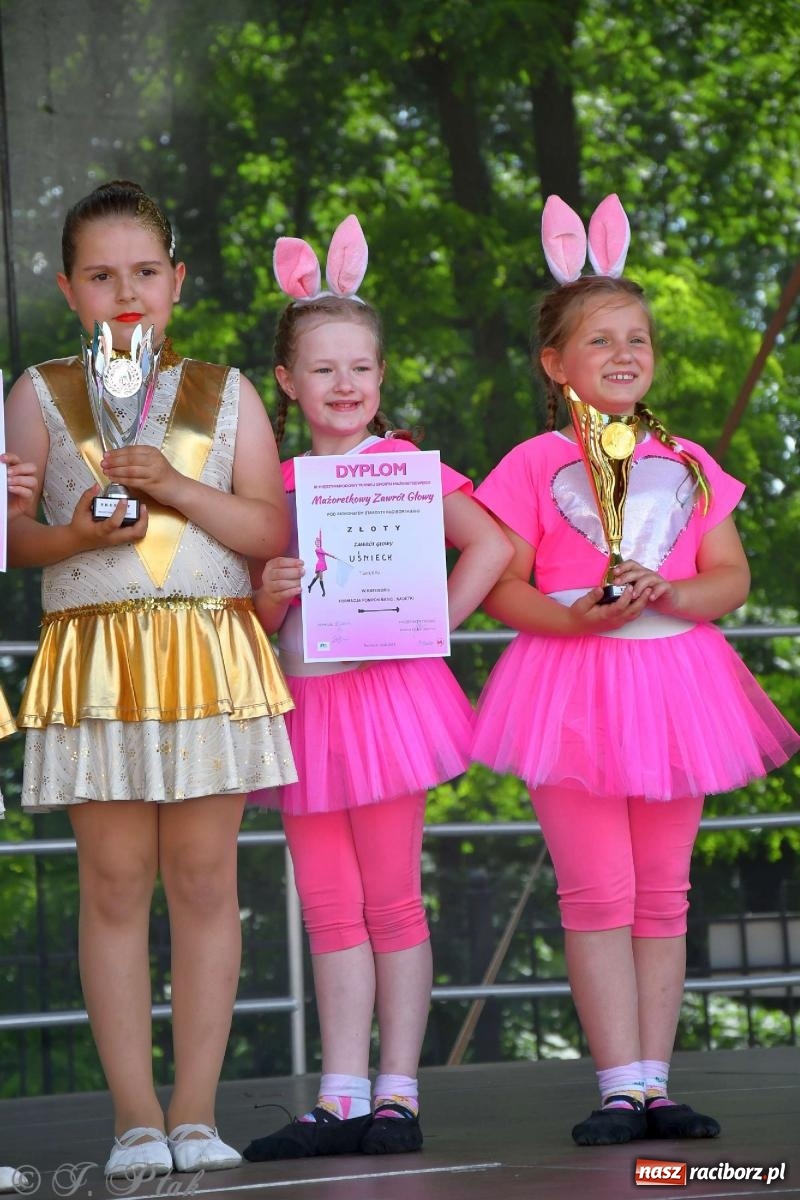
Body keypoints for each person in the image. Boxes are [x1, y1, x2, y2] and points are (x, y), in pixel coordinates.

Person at [472, 194, 800, 1147]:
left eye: (638, 339)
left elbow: (730, 577)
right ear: (554, 363)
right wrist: (572, 617)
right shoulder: (534, 461)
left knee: (663, 891)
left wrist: (672, 592)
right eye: (601, 339)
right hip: (569, 690)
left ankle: (657, 1085)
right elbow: (502, 585)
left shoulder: (687, 460)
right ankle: (617, 1085)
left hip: (676, 689)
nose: (625, 353)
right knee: (597, 891)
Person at [4, 181, 297, 1178]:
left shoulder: (226, 391)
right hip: (94, 657)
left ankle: (195, 1112)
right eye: (100, 275)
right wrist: (71, 536)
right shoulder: (38, 392)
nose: (124, 292)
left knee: (206, 881)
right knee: (115, 882)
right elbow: (11, 536)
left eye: (142, 272)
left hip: (209, 652)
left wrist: (173, 485)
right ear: (67, 288)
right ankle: (135, 1119)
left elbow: (268, 529)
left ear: (176, 281)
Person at [243, 216, 512, 1162]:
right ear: (288, 382)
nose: (345, 383)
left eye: (360, 366)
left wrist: (429, 623)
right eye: (323, 368)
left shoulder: (401, 467)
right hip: (304, 705)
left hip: (388, 707)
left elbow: (492, 545)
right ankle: (340, 1094)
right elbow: (252, 611)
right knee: (326, 905)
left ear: (382, 377)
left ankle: (397, 1093)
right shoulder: (273, 486)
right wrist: (269, 594)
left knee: (392, 899)